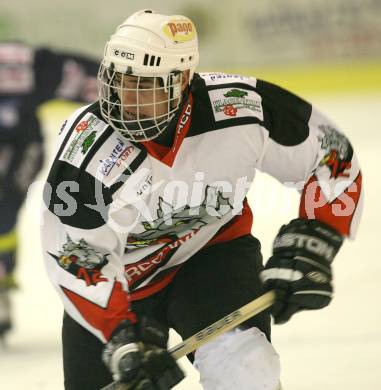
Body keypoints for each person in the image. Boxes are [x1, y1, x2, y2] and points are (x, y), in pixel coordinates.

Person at [40, 9, 363, 390]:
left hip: (211, 258)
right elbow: (75, 255)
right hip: (120, 285)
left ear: (181, 82)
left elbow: (330, 155)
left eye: (144, 86)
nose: (126, 99)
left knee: (248, 371)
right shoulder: (85, 156)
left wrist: (315, 240)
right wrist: (121, 338)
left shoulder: (242, 108)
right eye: (119, 82)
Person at [0, 41, 99, 341]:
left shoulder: (17, 61)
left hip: (22, 148)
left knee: (3, 216)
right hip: (20, 141)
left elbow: (88, 77)